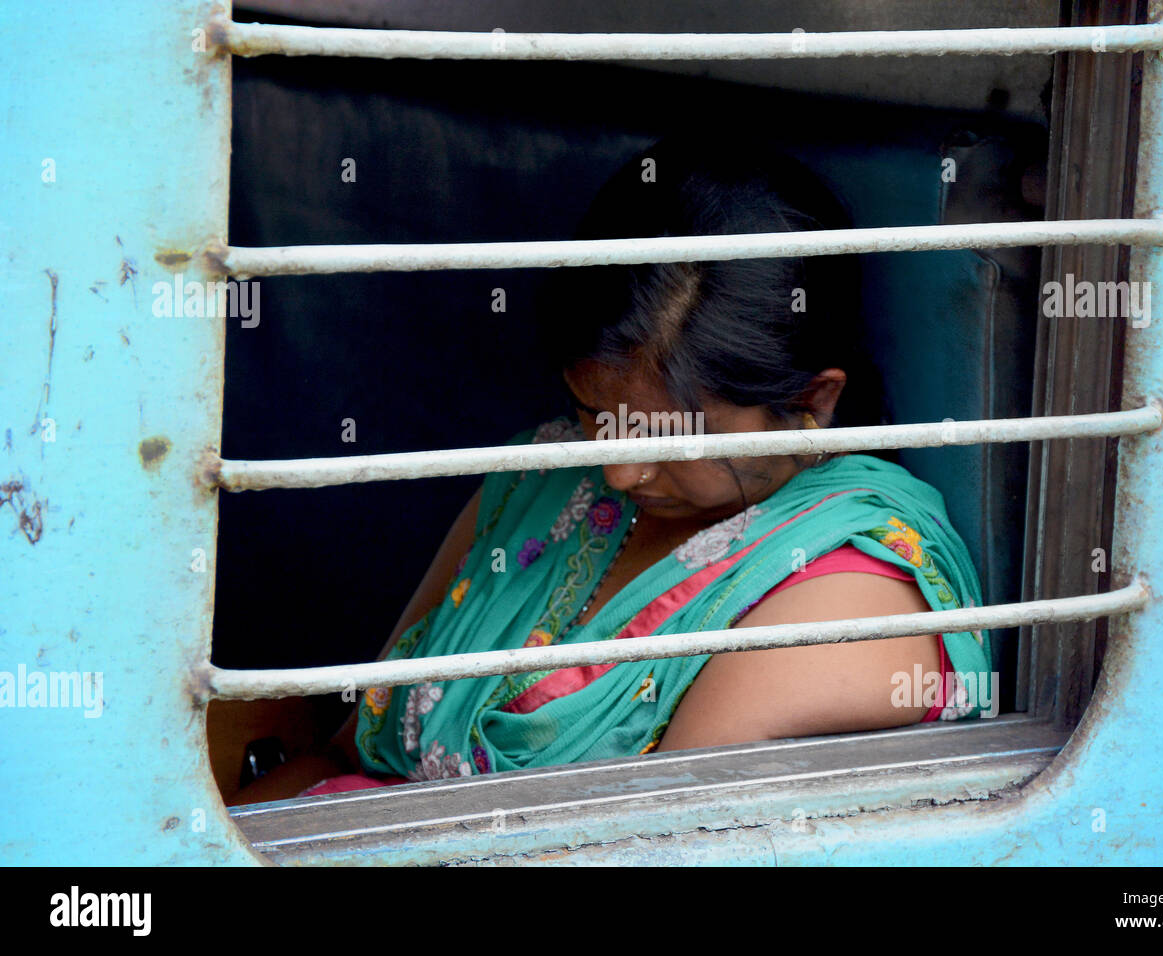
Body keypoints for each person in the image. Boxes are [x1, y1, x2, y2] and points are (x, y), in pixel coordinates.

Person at [227, 135, 992, 805]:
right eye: (598, 413)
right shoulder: (548, 475)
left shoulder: (845, 600)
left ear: (812, 403)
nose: (620, 471)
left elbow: (658, 841)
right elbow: (343, 751)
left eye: (671, 438)